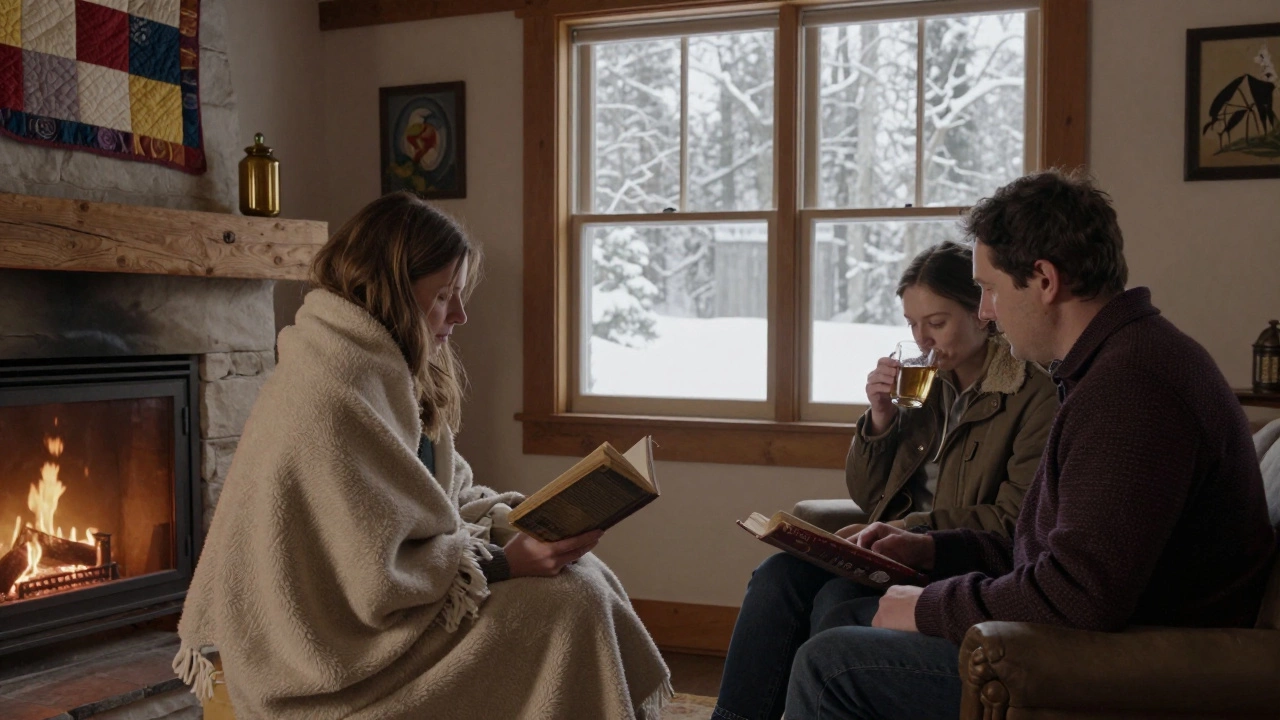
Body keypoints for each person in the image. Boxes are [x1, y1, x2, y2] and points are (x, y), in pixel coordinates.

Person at [783, 170, 1277, 719]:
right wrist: (934, 549)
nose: (987, 312)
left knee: (836, 661)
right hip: (1095, 636)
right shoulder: (1111, 366)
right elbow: (1050, 550)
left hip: (1124, 663)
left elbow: (1078, 595)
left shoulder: (1132, 389)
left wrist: (929, 606)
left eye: (990, 289)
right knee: (837, 616)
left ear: (1043, 280)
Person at [173, 192, 671, 719]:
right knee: (571, 607)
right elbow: (372, 578)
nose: (459, 314)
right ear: (390, 291)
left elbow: (437, 498)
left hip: (404, 610)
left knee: (583, 577)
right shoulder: (331, 389)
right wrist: (503, 564)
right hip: (337, 663)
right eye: (443, 296)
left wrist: (520, 521)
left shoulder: (382, 369)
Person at [714, 242, 1058, 720]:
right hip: (893, 547)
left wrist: (912, 528)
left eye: (936, 323)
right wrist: (879, 421)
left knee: (836, 597)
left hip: (955, 560)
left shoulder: (1031, 393)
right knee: (777, 576)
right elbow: (869, 496)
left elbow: (1013, 520)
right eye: (912, 324)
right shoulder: (925, 384)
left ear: (982, 312)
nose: (922, 340)